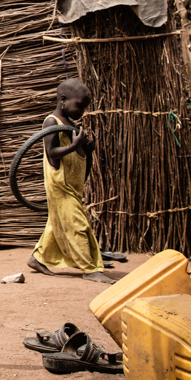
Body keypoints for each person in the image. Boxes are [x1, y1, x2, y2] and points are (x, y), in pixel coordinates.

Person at [26, 79, 115, 284]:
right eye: (79, 106)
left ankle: (37, 258)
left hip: (72, 185)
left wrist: (85, 147)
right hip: (60, 184)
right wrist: (74, 146)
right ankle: (89, 268)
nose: (82, 112)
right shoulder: (51, 122)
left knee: (56, 222)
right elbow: (52, 154)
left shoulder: (70, 124)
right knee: (77, 224)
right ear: (63, 100)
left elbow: (73, 147)